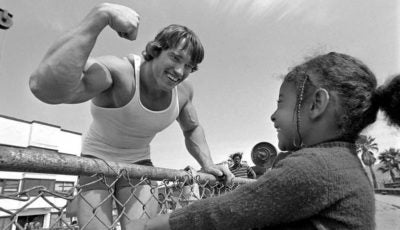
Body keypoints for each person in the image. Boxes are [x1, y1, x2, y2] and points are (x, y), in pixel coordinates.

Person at [130, 52, 400, 230]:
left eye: (281, 103)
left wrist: (152, 225)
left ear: (317, 103)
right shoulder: (343, 163)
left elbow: (227, 211)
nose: (273, 116)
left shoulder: (317, 167)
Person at [29, 3, 232, 230]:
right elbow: (44, 88)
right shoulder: (119, 73)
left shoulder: (184, 93)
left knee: (142, 229)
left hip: (139, 163)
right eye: (175, 58)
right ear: (156, 50)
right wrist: (99, 17)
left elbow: (192, 128)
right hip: (96, 159)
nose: (179, 72)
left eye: (189, 67)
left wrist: (208, 164)